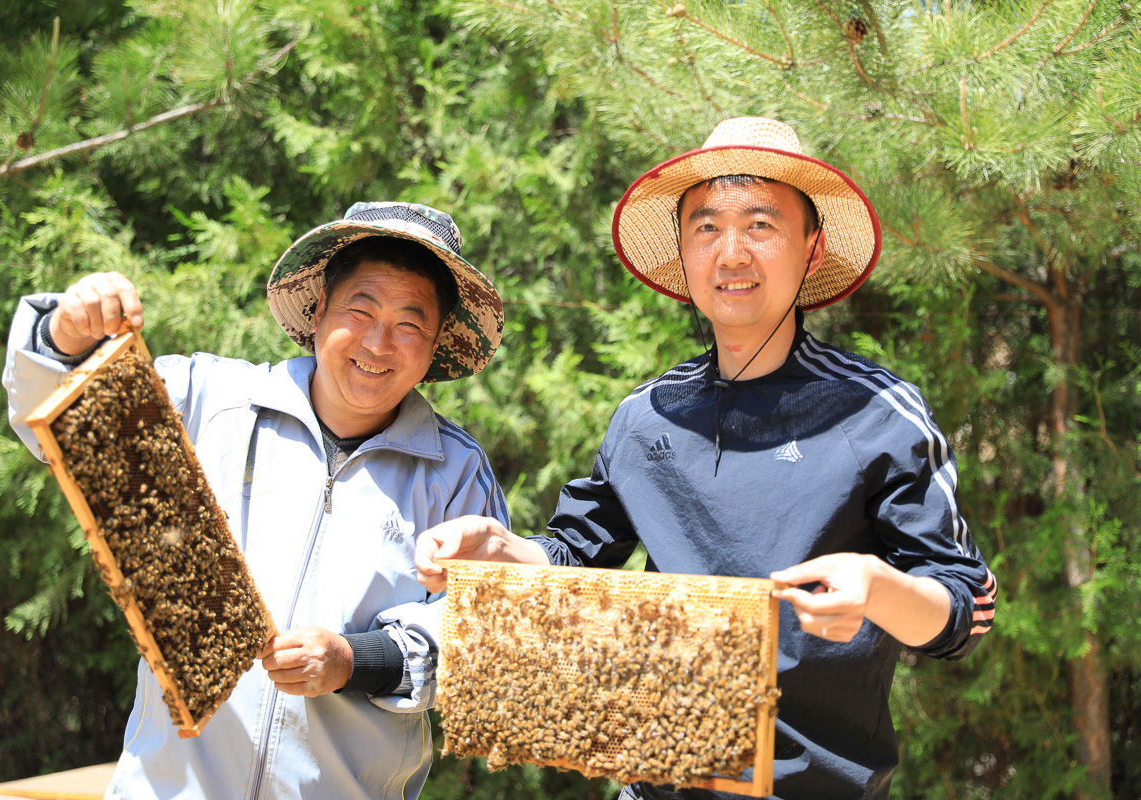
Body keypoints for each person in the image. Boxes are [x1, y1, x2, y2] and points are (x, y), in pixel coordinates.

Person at [415, 119, 998, 799]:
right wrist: (503, 552)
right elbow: (576, 556)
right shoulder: (646, 417)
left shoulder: (877, 413)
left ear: (812, 249)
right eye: (707, 228)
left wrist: (879, 589)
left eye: (761, 225)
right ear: (683, 249)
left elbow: (967, 607)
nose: (732, 254)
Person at [2, 202, 510, 800]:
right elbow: (62, 425)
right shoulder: (209, 399)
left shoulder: (457, 473)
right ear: (318, 310)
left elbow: (483, 636)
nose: (378, 343)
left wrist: (357, 661)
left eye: (409, 324)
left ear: (436, 342)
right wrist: (65, 334)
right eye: (361, 310)